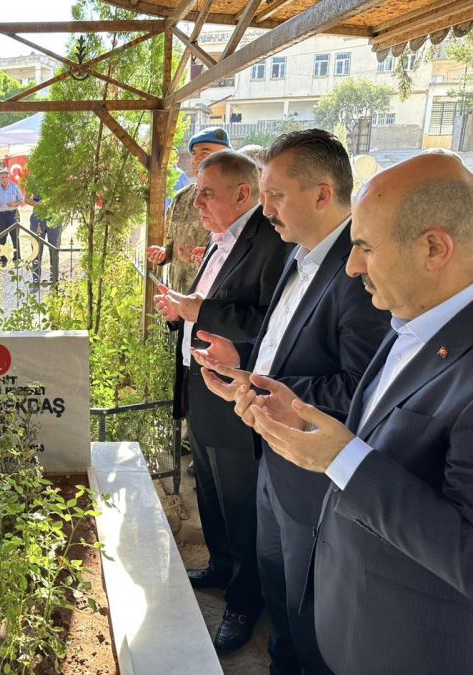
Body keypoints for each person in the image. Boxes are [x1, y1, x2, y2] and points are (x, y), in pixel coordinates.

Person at [247, 154, 473, 675]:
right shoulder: (409, 322)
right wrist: (300, 412)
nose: (350, 267)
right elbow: (377, 425)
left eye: (365, 248)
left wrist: (343, 458)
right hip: (353, 619)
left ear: (434, 248)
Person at [193, 130, 391, 674]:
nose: (265, 208)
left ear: (323, 194)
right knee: (279, 596)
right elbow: (288, 343)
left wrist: (265, 388)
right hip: (274, 460)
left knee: (309, 617)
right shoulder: (299, 255)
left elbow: (362, 388)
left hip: (316, 477)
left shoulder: (361, 272)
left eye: (276, 195)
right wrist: (247, 355)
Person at [154, 150, 291, 652]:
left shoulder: (271, 244)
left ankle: (243, 600)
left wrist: (201, 309)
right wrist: (181, 314)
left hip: (236, 392)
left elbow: (268, 323)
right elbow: (209, 308)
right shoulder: (220, 242)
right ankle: (220, 566)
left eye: (207, 191)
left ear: (243, 193)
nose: (197, 201)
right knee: (207, 487)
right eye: (196, 190)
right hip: (202, 386)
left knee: (239, 500)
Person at [148, 127, 231, 293]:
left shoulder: (235, 201)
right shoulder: (182, 197)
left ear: (227, 157)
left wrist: (205, 258)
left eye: (205, 153)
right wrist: (164, 254)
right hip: (178, 296)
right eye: (194, 153)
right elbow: (172, 243)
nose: (196, 159)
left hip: (209, 300)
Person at [25, 189, 60, 287]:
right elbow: (26, 199)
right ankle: (36, 279)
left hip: (53, 216)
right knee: (36, 249)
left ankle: (54, 279)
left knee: (54, 249)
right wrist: (37, 204)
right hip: (38, 217)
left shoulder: (56, 175)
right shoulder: (32, 178)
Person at [0, 167, 23, 266]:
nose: (4, 179)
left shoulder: (14, 187)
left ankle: (17, 258)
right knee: (2, 237)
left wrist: (14, 204)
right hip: (1, 215)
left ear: (9, 178)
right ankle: (3, 259)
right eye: (2, 177)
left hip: (12, 214)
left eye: (6, 177)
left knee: (15, 236)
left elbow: (21, 200)